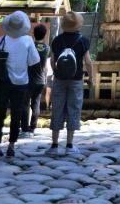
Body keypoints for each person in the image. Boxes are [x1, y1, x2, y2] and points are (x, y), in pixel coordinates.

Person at [0, 10, 40, 158]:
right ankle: (11, 145)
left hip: (2, 81)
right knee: (16, 114)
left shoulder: (0, 40)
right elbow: (35, 61)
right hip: (20, 82)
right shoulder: (27, 41)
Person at [46, 11, 94, 156]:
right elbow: (88, 62)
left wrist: (56, 72)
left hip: (60, 80)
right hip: (76, 79)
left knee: (57, 108)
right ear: (78, 25)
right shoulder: (83, 41)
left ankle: (54, 145)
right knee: (74, 108)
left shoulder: (57, 40)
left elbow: (53, 60)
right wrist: (91, 78)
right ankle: (69, 145)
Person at [20, 22, 50, 138]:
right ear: (45, 35)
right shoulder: (47, 48)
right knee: (36, 103)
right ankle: (33, 127)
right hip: (41, 79)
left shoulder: (30, 46)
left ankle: (25, 128)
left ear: (33, 33)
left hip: (29, 79)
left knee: (25, 103)